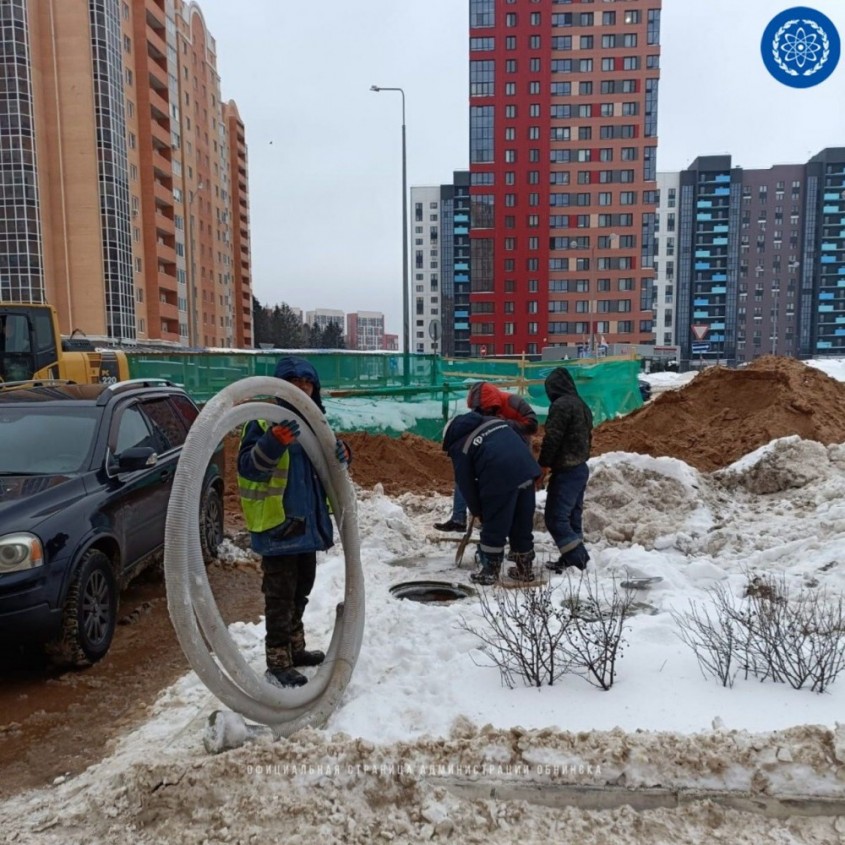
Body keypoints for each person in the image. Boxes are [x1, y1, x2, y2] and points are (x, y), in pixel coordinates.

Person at [237, 355, 351, 688]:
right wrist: (273, 442)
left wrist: (342, 452)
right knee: (280, 595)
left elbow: (330, 469)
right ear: (280, 387)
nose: (301, 389)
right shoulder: (261, 424)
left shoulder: (318, 426)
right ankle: (278, 660)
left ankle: (295, 647)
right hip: (278, 528)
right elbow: (248, 468)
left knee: (302, 589)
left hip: (307, 527)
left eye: (307, 384)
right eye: (294, 384)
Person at [442, 410, 541, 585]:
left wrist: (478, 510)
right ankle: (524, 568)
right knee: (521, 523)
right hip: (526, 470)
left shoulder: (460, 445)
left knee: (494, 523)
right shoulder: (494, 421)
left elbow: (465, 483)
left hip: (500, 476)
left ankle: (490, 570)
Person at [434, 382, 538, 532]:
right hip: (492, 447)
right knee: (465, 476)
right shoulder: (482, 413)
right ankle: (459, 517)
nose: (484, 415)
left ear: (494, 405)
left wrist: (504, 424)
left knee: (507, 486)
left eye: (487, 412)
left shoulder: (513, 402)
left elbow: (532, 425)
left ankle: (505, 520)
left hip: (516, 447)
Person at [538, 367, 593, 573]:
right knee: (572, 517)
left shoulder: (561, 406)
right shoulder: (581, 405)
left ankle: (578, 559)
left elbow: (552, 438)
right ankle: (572, 559)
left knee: (555, 517)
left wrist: (543, 464)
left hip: (566, 470)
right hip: (580, 468)